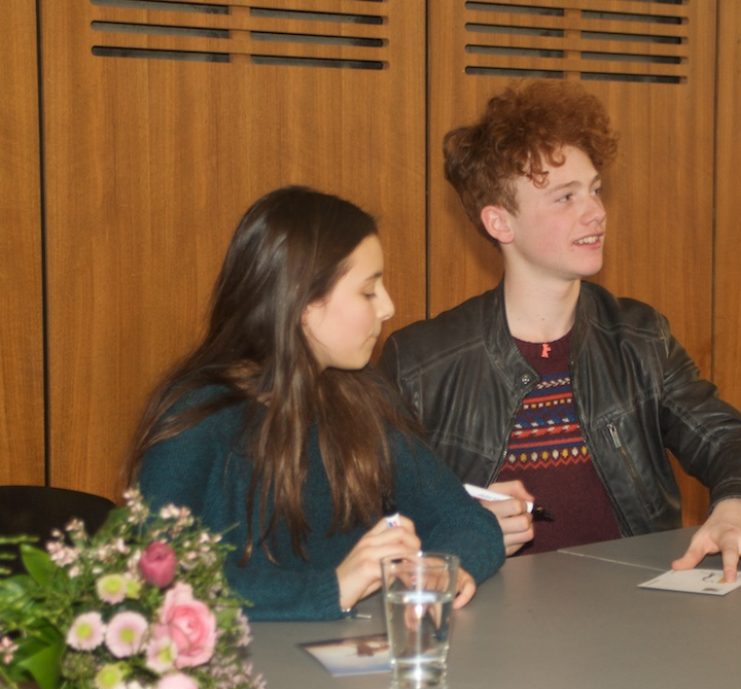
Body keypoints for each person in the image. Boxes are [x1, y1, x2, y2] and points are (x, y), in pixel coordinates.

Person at [380, 80, 741, 583]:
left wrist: (738, 506)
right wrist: (457, 531)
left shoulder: (640, 337)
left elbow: (729, 439)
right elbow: (366, 510)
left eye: (595, 190)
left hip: (633, 614)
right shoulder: (422, 362)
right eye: (565, 198)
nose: (596, 212)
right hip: (487, 626)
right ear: (499, 223)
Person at [126, 186, 504, 621]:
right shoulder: (197, 419)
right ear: (303, 304)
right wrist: (333, 588)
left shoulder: (363, 397)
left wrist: (444, 566)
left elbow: (468, 521)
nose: (388, 308)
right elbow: (154, 580)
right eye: (368, 291)